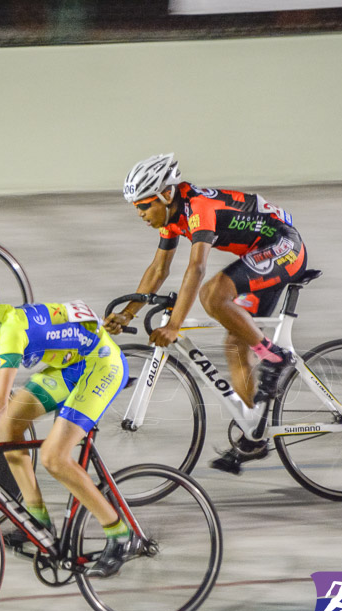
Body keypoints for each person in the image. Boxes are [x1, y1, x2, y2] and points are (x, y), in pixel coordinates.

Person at [0, 271, 134, 578]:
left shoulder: (11, 330)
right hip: (69, 366)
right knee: (7, 428)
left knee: (54, 458)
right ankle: (38, 520)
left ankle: (120, 534)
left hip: (101, 364)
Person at [104, 153, 311, 475]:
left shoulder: (198, 207)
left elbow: (197, 267)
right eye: (137, 208)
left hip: (284, 246)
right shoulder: (173, 215)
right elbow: (159, 269)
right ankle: (253, 434)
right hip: (260, 252)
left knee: (213, 295)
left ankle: (273, 357)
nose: (141, 214)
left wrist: (174, 325)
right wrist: (128, 314)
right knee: (234, 343)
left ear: (165, 195)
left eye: (144, 206)